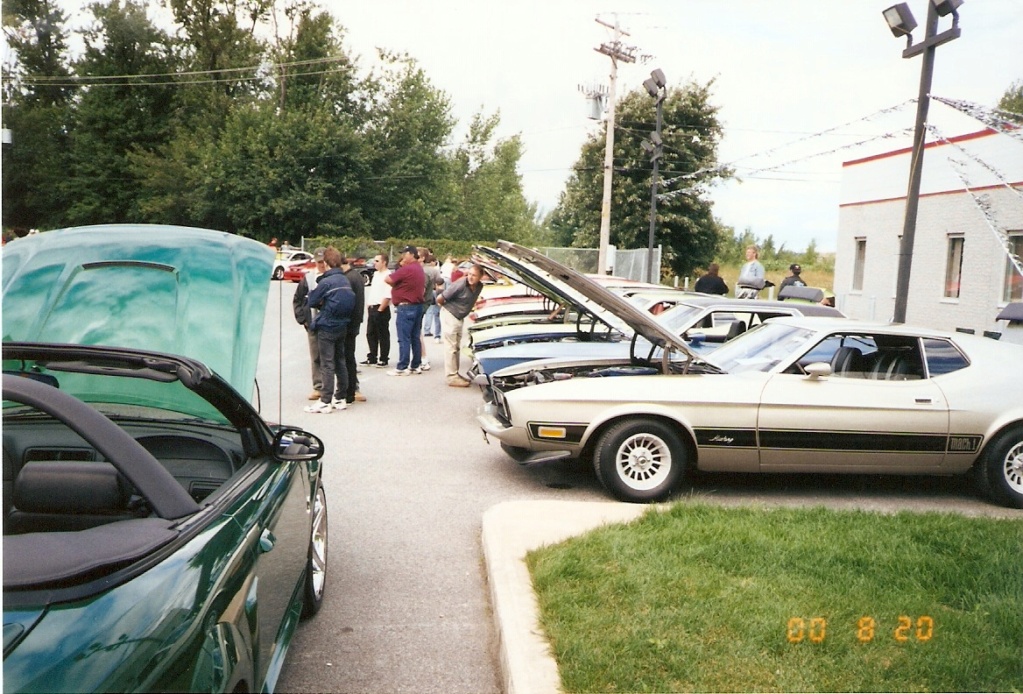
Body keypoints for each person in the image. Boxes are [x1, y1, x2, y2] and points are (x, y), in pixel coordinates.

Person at [303, 247, 356, 413]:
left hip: (327, 325)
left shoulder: (326, 281)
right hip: (342, 325)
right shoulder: (344, 280)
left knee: (327, 363)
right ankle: (340, 397)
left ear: (326, 263)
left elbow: (312, 300)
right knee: (340, 361)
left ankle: (325, 400)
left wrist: (321, 303)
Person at [436, 264, 486, 387]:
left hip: (459, 317)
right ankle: (451, 377)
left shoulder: (479, 286)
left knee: (456, 346)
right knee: (451, 347)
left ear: (480, 277)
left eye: (474, 275)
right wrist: (448, 310)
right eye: (469, 274)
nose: (470, 277)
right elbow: (440, 298)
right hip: (450, 314)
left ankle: (455, 373)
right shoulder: (460, 285)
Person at [384, 245, 426, 376]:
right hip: (418, 305)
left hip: (405, 306)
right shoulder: (419, 268)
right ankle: (416, 365)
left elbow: (388, 279)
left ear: (412, 254)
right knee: (415, 337)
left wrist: (395, 284)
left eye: (405, 254)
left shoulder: (406, 269)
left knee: (404, 338)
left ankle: (402, 366)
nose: (402, 256)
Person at [292, 247, 327, 400]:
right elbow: (297, 299)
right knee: (316, 356)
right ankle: (318, 386)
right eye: (319, 262)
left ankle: (332, 387)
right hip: (312, 323)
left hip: (329, 324)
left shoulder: (331, 276)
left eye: (324, 261)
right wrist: (303, 319)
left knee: (331, 357)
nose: (322, 265)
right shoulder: (308, 278)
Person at [341, 254, 367, 403]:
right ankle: (351, 387)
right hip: (355, 322)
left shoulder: (349, 278)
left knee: (347, 357)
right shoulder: (356, 276)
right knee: (349, 356)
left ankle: (350, 388)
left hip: (349, 323)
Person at [362, 253, 391, 368]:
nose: (375, 263)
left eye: (377, 261)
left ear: (384, 262)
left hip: (381, 307)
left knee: (382, 334)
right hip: (372, 307)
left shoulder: (387, 275)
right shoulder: (375, 274)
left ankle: (383, 358)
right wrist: (369, 304)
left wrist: (380, 309)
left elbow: (387, 294)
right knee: (370, 333)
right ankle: (372, 356)